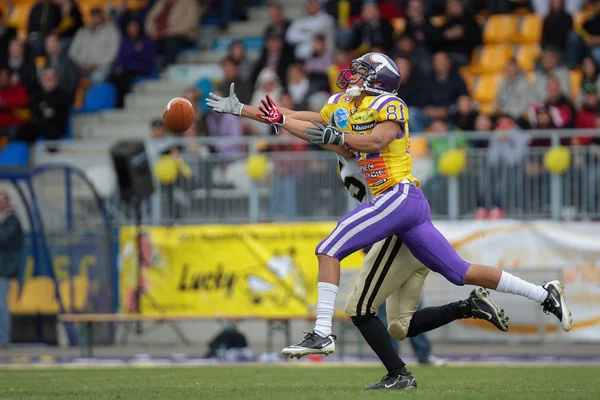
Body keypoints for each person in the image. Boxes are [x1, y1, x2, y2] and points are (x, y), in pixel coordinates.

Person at [205, 52, 572, 387]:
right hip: (400, 209)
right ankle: (543, 293)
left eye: (362, 71)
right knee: (458, 273)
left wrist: (331, 132)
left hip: (397, 196)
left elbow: (373, 141)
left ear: (377, 79)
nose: (352, 75)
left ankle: (322, 332)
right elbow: (303, 120)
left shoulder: (390, 105)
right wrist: (245, 111)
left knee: (329, 248)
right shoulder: (342, 105)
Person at [0, 190, 24, 349]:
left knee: (1, 306)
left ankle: (3, 341)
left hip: (3, 270)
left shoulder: (12, 220)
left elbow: (3, 238)